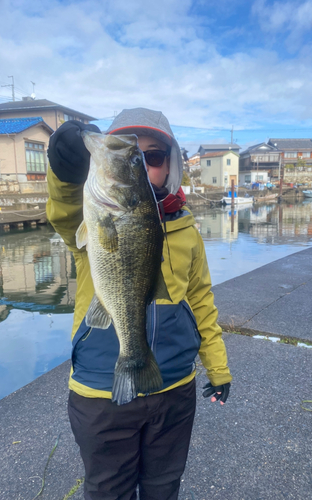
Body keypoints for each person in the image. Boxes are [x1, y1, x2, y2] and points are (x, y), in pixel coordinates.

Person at [46, 108, 232, 500]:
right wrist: (65, 171)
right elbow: (64, 213)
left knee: (164, 486)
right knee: (108, 490)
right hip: (101, 392)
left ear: (171, 166)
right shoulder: (91, 214)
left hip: (174, 386)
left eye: (153, 156)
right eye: (133, 154)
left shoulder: (187, 230)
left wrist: (217, 368)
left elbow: (200, 300)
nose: (144, 164)